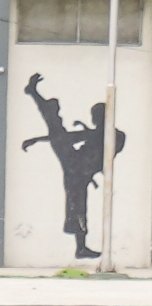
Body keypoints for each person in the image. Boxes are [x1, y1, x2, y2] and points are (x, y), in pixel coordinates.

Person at [22, 73, 127, 259]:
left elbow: (73, 138)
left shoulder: (111, 134)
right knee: (55, 126)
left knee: (78, 207)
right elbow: (70, 138)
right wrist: (38, 139)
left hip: (79, 169)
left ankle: (81, 247)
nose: (94, 119)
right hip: (77, 166)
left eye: (96, 116)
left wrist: (37, 139)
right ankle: (34, 94)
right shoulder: (104, 133)